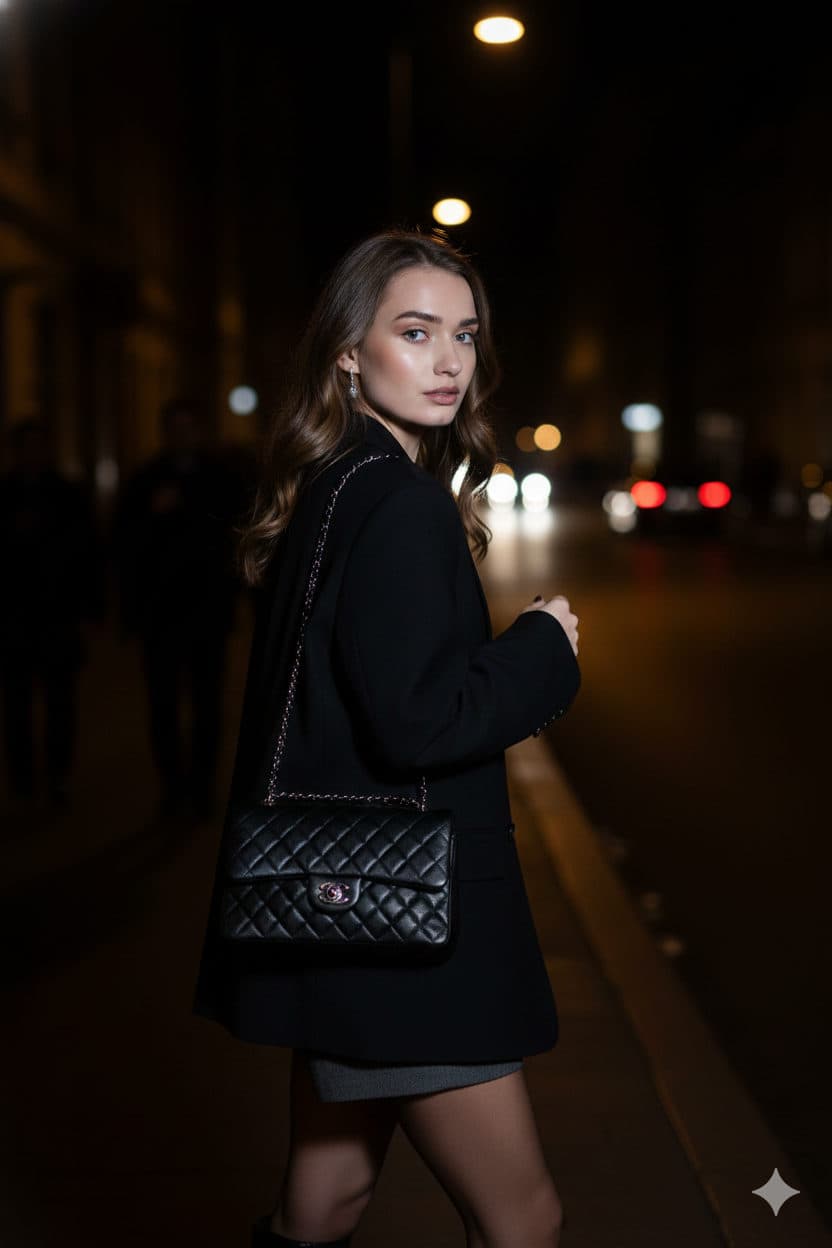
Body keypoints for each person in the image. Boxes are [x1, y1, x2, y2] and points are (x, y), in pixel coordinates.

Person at [192, 229, 581, 1248]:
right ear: (349, 353)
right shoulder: (400, 507)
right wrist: (543, 648)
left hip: (335, 914)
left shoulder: (330, 490)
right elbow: (419, 721)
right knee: (525, 1217)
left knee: (323, 1204)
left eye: (463, 334)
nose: (450, 359)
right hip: (410, 933)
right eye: (415, 332)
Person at [112, 397, 247, 819]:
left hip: (206, 611)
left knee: (207, 704)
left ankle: (203, 786)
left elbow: (235, 534)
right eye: (175, 428)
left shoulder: (220, 477)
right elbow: (125, 545)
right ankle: (171, 786)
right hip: (161, 614)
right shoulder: (146, 479)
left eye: (189, 427)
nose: (182, 436)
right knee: (163, 704)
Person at [0, 417, 103, 810]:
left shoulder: (67, 495)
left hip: (57, 616)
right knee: (16, 703)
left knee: (60, 701)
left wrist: (90, 609)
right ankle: (23, 776)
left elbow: (87, 552)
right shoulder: (6, 494)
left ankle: (58, 773)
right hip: (14, 619)